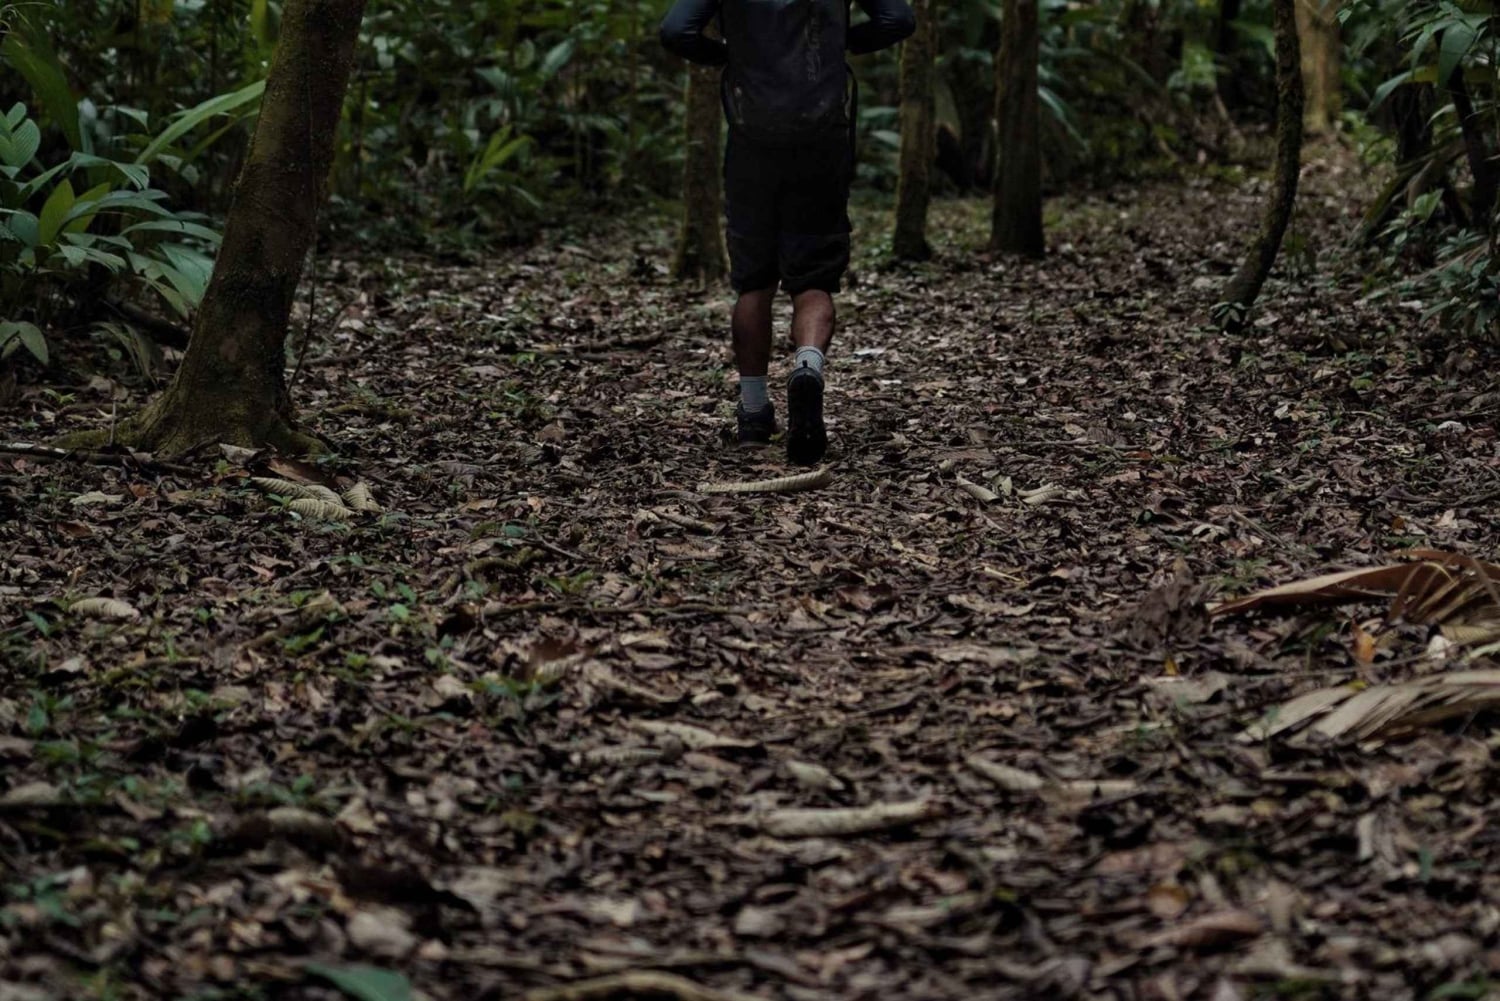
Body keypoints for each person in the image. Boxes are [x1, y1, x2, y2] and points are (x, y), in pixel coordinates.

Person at [661, 0, 916, 466]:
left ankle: (755, 412)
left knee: (753, 281)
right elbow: (897, 19)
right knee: (814, 277)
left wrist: (729, 53)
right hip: (820, 132)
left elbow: (676, 30)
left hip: (752, 132)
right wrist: (845, 41)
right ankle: (807, 367)